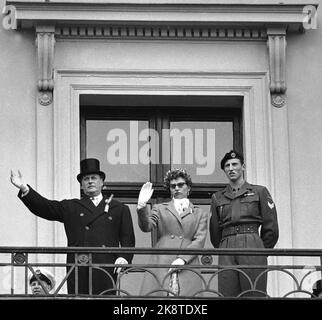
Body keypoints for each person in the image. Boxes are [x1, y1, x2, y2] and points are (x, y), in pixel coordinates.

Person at [10, 158, 135, 295]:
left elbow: (127, 238)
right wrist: (24, 188)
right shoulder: (71, 207)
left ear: (101, 182)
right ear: (81, 185)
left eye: (94, 178)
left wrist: (124, 257)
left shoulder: (119, 208)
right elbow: (45, 207)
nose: (90, 181)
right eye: (86, 179)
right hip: (78, 267)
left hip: (106, 267)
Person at [209, 150, 279, 297]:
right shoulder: (217, 197)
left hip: (252, 244)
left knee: (254, 291)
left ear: (243, 167)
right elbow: (215, 232)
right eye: (227, 166)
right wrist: (223, 246)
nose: (231, 168)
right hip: (226, 247)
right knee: (228, 292)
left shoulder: (259, 191)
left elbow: (270, 226)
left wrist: (260, 250)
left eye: (235, 164)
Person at [136, 168, 208, 296]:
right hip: (162, 259)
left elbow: (199, 240)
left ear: (188, 187)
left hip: (188, 263)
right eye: (173, 186)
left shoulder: (199, 213)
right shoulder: (160, 208)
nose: (176, 188)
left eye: (180, 185)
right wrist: (142, 206)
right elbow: (147, 227)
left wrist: (183, 259)